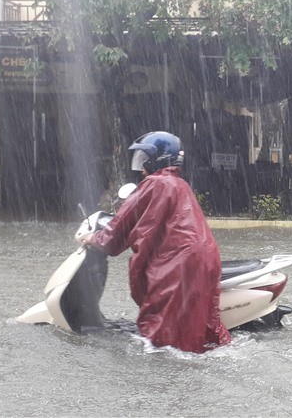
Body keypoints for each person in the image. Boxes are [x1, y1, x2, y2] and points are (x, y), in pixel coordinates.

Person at [83, 131, 231, 353]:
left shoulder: (155, 183)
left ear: (157, 158)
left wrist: (94, 238)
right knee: (207, 331)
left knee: (162, 339)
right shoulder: (178, 184)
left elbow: (121, 227)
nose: (141, 168)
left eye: (144, 159)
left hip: (179, 264)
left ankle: (167, 373)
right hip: (205, 258)